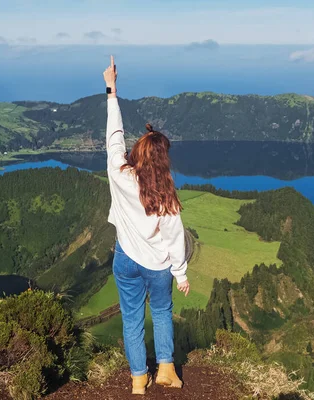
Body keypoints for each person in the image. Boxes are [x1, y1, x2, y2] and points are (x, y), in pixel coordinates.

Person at [103, 56, 190, 395]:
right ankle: (167, 369)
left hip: (125, 259)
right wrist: (180, 273)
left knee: (132, 319)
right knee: (163, 312)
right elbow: (174, 236)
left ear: (138, 151)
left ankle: (139, 379)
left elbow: (114, 136)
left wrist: (112, 90)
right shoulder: (166, 195)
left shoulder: (119, 173)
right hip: (158, 265)